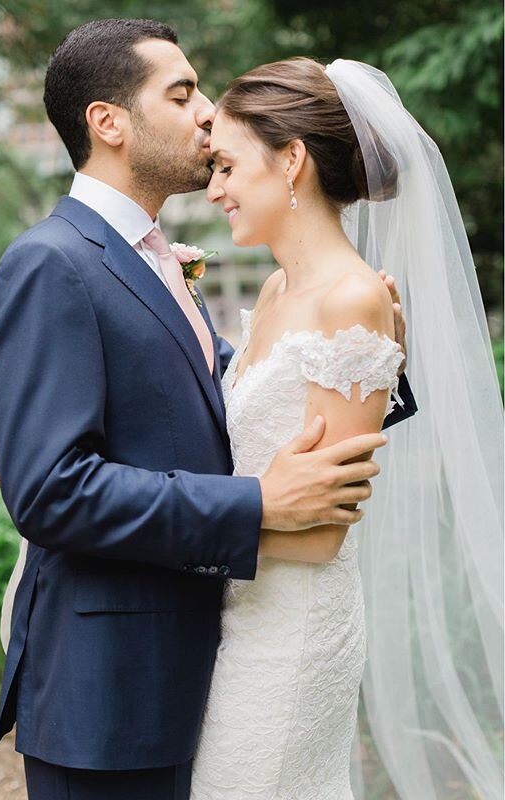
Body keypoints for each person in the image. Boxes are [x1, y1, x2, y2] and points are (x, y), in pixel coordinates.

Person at [0, 21, 416, 800]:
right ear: (107, 123)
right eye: (182, 94)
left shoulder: (163, 262)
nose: (207, 111)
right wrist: (258, 505)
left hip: (210, 661)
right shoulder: (52, 263)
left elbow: (234, 398)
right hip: (110, 690)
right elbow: (50, 490)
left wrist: (376, 360)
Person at [189, 57, 503, 799]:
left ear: (291, 159)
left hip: (292, 632)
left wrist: (177, 544)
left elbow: (322, 530)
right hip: (235, 620)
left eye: (228, 165)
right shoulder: (272, 292)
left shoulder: (354, 299)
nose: (215, 189)